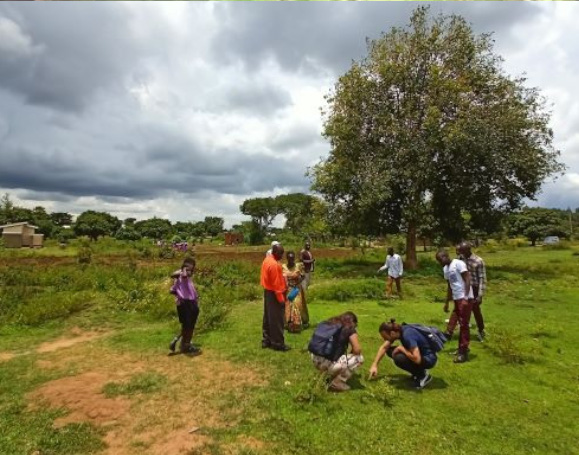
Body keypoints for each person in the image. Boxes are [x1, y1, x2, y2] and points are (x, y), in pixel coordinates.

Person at [368, 319, 437, 389]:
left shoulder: (408, 335)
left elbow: (417, 359)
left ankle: (423, 376)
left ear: (392, 333)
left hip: (428, 359)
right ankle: (417, 372)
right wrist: (375, 365)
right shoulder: (398, 331)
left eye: (385, 337)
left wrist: (401, 349)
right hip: (421, 355)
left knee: (399, 358)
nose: (384, 339)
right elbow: (384, 348)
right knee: (389, 350)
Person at [310, 312, 363, 392]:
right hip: (329, 363)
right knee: (359, 358)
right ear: (353, 322)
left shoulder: (329, 323)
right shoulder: (350, 328)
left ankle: (324, 375)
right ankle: (337, 383)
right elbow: (357, 350)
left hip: (315, 359)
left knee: (331, 355)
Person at [435, 249, 473, 363]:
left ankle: (463, 352)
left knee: (464, 324)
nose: (440, 262)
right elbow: (449, 285)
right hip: (457, 298)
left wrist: (466, 297)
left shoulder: (458, 263)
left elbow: (467, 278)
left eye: (441, 259)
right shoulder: (446, 269)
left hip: (464, 297)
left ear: (446, 256)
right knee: (455, 318)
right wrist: (447, 302)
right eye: (438, 261)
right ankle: (449, 334)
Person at [450, 242, 487, 342]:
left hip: (474, 288)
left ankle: (481, 330)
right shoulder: (460, 259)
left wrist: (480, 295)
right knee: (458, 309)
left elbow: (482, 279)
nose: (459, 253)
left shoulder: (478, 261)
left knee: (476, 310)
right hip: (464, 288)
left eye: (461, 251)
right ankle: (449, 332)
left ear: (467, 250)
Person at [261, 243, 290, 351]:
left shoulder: (267, 260)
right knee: (277, 319)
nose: (282, 256)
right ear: (275, 252)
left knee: (268, 317)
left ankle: (266, 340)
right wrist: (282, 300)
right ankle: (278, 343)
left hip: (267, 291)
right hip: (274, 293)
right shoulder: (275, 265)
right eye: (281, 253)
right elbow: (277, 286)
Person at [169, 258, 201, 355]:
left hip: (189, 303)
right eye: (188, 267)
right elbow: (175, 275)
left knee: (188, 325)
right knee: (189, 326)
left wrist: (179, 294)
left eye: (192, 268)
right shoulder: (182, 275)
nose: (191, 270)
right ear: (184, 267)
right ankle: (185, 344)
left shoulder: (184, 278)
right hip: (187, 303)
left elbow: (172, 291)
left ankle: (181, 342)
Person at [282, 251, 309, 328]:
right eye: (289, 259)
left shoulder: (299, 266)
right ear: (287, 258)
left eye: (292, 258)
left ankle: (298, 322)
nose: (291, 260)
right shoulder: (283, 267)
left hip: (297, 289)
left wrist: (297, 283)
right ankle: (288, 322)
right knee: (288, 305)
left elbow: (303, 276)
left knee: (297, 304)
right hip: (288, 289)